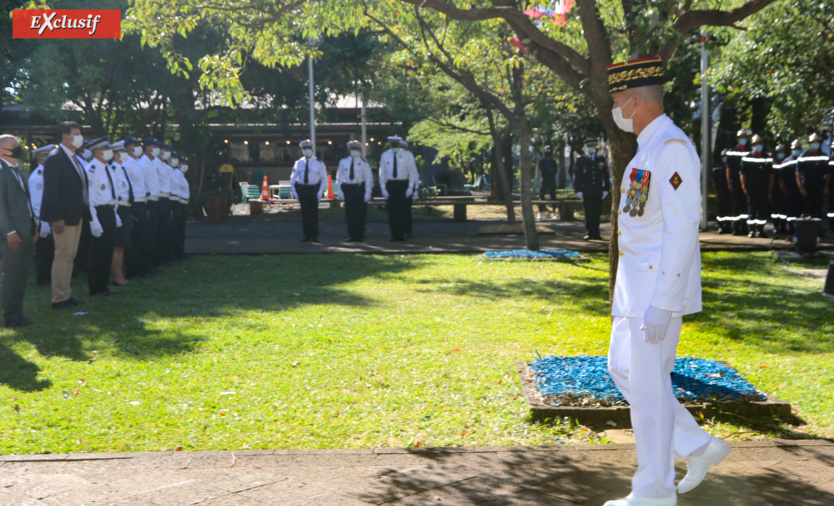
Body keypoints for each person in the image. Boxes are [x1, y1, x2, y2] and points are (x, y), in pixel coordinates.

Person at [604, 56, 728, 506]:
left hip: (655, 293)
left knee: (650, 390)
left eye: (618, 101)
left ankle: (654, 493)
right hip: (635, 292)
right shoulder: (648, 148)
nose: (616, 109)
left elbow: (681, 230)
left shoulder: (671, 149)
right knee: (625, 370)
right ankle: (697, 446)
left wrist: (664, 300)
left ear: (635, 101)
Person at [40, 121, 89, 309]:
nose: (79, 137)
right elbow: (51, 191)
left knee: (70, 256)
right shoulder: (56, 157)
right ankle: (59, 298)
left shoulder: (73, 157)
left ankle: (66, 294)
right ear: (65, 136)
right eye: (76, 134)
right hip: (64, 217)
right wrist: (56, 217)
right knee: (63, 256)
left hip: (76, 214)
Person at [0, 134, 37, 328]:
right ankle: (10, 317)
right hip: (12, 233)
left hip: (25, 230)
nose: (18, 147)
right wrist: (9, 231)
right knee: (12, 275)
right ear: (1, 150)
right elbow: (1, 206)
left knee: (22, 274)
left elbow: (26, 202)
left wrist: (33, 226)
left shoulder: (17, 170)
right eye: (13, 145)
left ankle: (18, 312)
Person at [85, 136, 122, 296]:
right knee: (98, 251)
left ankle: (104, 285)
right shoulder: (91, 170)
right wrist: (94, 221)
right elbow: (90, 199)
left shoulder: (108, 168)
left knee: (107, 250)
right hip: (98, 213)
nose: (109, 152)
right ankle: (95, 287)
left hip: (109, 211)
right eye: (106, 149)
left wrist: (115, 214)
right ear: (97, 152)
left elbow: (111, 194)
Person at [379, 136, 419, 241]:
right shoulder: (385, 155)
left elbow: (412, 172)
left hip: (403, 184)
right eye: (392, 145)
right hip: (391, 185)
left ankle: (402, 234)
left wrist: (411, 187)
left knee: (403, 210)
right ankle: (394, 235)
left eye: (395, 145)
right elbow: (382, 173)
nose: (394, 147)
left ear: (399, 144)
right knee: (392, 211)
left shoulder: (407, 155)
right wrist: (383, 188)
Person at [121, 136, 148, 277]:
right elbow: (127, 188)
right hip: (134, 204)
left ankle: (140, 267)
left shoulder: (136, 162)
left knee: (141, 236)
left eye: (138, 144)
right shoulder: (126, 164)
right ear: (127, 148)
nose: (137, 147)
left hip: (141, 202)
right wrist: (130, 210)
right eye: (133, 145)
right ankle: (132, 269)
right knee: (134, 238)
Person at [290, 139, 327, 243]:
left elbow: (324, 178)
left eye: (308, 149)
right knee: (305, 214)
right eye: (304, 149)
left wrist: (320, 191)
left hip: (313, 189)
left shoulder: (319, 162)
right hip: (302, 189)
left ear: (312, 150)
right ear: (302, 150)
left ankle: (315, 236)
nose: (306, 151)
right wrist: (294, 191)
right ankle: (306, 235)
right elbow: (293, 178)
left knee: (313, 214)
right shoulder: (298, 163)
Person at [336, 140, 373, 242]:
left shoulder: (363, 163)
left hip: (359, 189)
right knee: (350, 213)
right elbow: (339, 178)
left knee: (360, 213)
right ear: (349, 150)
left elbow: (368, 178)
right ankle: (351, 235)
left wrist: (368, 192)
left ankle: (359, 234)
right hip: (348, 189)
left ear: (359, 150)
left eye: (356, 149)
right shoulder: (343, 162)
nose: (354, 151)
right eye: (352, 149)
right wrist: (340, 191)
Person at [573, 139, 610, 240]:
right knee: (588, 212)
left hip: (598, 190)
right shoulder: (581, 159)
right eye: (589, 146)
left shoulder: (601, 159)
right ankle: (589, 232)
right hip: (586, 190)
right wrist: (578, 190)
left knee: (597, 212)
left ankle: (596, 233)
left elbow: (606, 175)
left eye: (593, 145)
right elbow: (577, 176)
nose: (591, 148)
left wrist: (606, 189)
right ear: (585, 148)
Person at [29, 144, 55, 285]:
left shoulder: (48, 172)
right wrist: (43, 223)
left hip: (51, 217)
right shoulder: (37, 178)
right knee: (44, 250)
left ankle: (49, 276)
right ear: (40, 158)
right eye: (46, 155)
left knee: (51, 249)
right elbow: (36, 203)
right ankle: (43, 278)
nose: (50, 158)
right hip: (43, 219)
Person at [109, 140, 133, 286]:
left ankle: (120, 274)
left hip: (124, 208)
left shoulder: (121, 168)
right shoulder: (113, 169)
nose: (125, 154)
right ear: (116, 154)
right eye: (123, 152)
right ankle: (116, 276)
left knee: (122, 244)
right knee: (117, 245)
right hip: (117, 209)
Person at [740, 134, 773, 238]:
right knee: (752, 209)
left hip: (763, 188)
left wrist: (770, 188)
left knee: (762, 209)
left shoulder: (767, 158)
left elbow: (771, 174)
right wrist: (744, 186)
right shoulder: (747, 158)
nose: (758, 145)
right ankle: (751, 230)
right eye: (756, 144)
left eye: (760, 143)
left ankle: (760, 230)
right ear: (752, 145)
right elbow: (742, 173)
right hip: (751, 187)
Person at [796, 133, 830, 232]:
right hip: (808, 188)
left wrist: (826, 186)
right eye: (813, 142)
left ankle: (818, 231)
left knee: (818, 210)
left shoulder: (824, 156)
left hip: (820, 187)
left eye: (817, 142)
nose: (816, 144)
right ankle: (808, 231)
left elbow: (828, 173)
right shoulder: (803, 156)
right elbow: (798, 173)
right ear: (810, 143)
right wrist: (801, 187)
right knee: (807, 210)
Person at [139, 137, 162, 269]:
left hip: (155, 201)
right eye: (154, 146)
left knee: (154, 232)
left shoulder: (151, 162)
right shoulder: (143, 163)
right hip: (149, 202)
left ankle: (152, 262)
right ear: (147, 148)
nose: (157, 149)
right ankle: (146, 264)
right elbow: (143, 185)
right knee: (148, 234)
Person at [725, 129, 751, 236]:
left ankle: (744, 227)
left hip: (747, 183)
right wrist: (729, 183)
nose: (743, 139)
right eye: (741, 137)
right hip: (735, 182)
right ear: (737, 139)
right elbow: (728, 169)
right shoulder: (731, 152)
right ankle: (736, 228)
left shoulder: (750, 152)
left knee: (745, 206)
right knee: (736, 206)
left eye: (744, 137)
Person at [781, 139, 804, 239]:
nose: (797, 150)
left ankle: (800, 231)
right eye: (795, 148)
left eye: (798, 148)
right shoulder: (786, 162)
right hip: (790, 191)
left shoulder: (804, 160)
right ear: (791, 149)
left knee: (801, 211)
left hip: (802, 191)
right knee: (791, 212)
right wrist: (783, 189)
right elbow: (781, 178)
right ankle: (791, 230)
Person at [712, 149, 733, 234]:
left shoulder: (731, 167)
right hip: (721, 192)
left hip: (729, 192)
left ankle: (728, 226)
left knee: (729, 209)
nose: (725, 158)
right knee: (721, 210)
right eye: (724, 156)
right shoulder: (717, 167)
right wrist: (716, 192)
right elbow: (714, 181)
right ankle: (721, 226)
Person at [536, 145, 559, 220]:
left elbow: (555, 171)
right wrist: (549, 171)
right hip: (544, 181)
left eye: (549, 151)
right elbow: (542, 170)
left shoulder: (553, 161)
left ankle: (553, 212)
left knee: (553, 196)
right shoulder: (542, 161)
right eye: (546, 151)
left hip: (552, 180)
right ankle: (540, 212)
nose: (548, 152)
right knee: (541, 197)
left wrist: (548, 171)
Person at [770, 143, 789, 234]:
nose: (781, 153)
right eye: (779, 151)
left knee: (784, 209)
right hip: (775, 189)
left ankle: (783, 226)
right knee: (775, 210)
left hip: (785, 189)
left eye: (782, 151)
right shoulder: (773, 162)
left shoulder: (786, 161)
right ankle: (776, 227)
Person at [400, 139, 417, 238]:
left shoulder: (409, 156)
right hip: (398, 184)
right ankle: (400, 230)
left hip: (406, 184)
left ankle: (407, 231)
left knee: (406, 210)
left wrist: (414, 189)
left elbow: (413, 173)